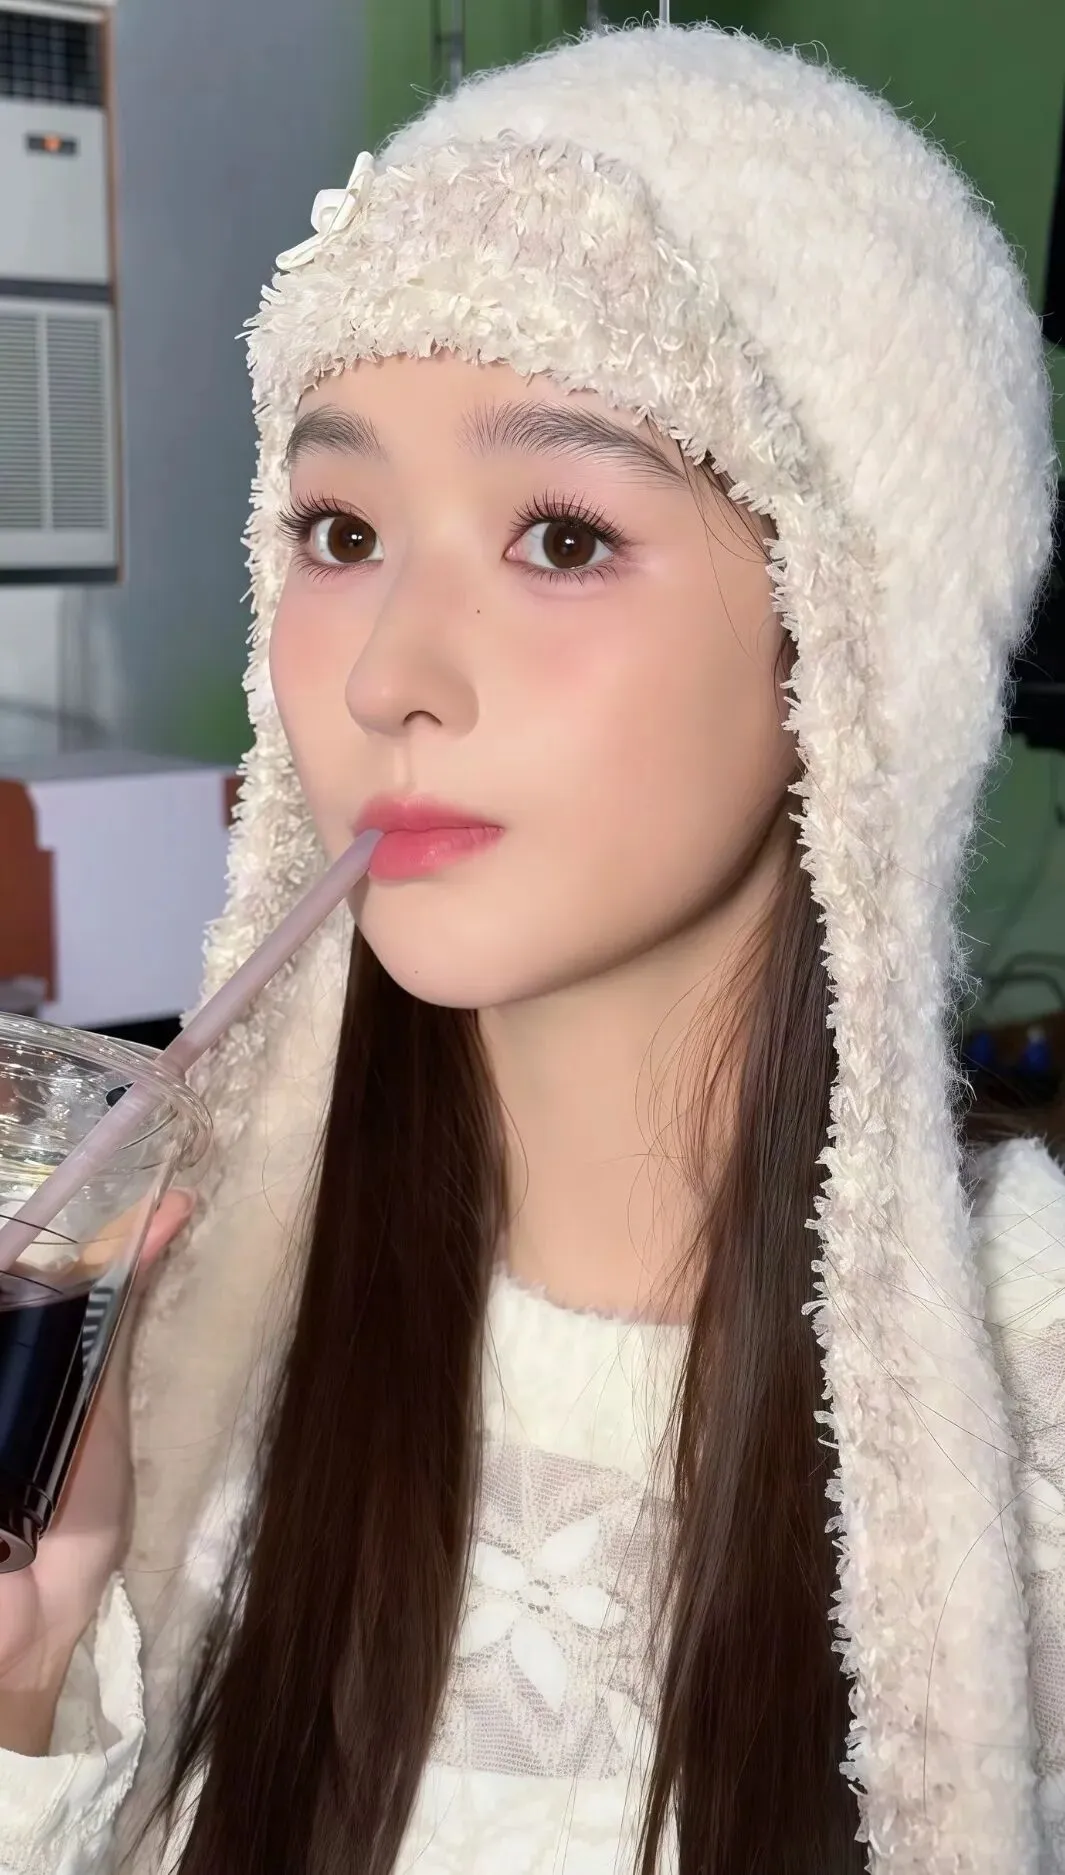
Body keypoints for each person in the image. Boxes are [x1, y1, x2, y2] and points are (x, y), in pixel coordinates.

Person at [0, 18, 1063, 1874]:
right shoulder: (173, 1331)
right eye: (341, 528)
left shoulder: (1034, 1396)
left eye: (562, 537)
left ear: (850, 637)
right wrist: (30, 1685)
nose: (388, 674)